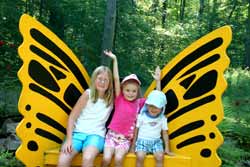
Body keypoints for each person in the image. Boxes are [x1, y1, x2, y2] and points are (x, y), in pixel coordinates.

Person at [102, 50, 161, 167]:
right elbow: (115, 78)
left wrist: (157, 81)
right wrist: (115, 59)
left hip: (125, 139)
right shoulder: (119, 98)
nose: (130, 93)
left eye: (134, 91)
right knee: (107, 158)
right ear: (123, 90)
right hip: (111, 135)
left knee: (119, 159)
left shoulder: (139, 103)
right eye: (128, 90)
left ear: (137, 91)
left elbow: (156, 98)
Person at [57, 66, 114, 167]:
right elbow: (72, 117)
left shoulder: (111, 99)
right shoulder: (88, 94)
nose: (102, 82)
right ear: (94, 79)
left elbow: (118, 82)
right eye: (100, 79)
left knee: (87, 158)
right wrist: (69, 139)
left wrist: (114, 60)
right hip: (77, 134)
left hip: (96, 135)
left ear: (110, 83)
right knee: (63, 160)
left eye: (106, 80)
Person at [133, 89, 175, 167]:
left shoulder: (162, 119)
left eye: (157, 107)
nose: (153, 109)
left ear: (162, 108)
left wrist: (167, 149)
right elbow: (136, 130)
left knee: (160, 156)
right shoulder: (142, 116)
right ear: (147, 105)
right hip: (142, 142)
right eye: (151, 106)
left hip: (156, 142)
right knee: (140, 156)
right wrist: (132, 147)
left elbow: (165, 133)